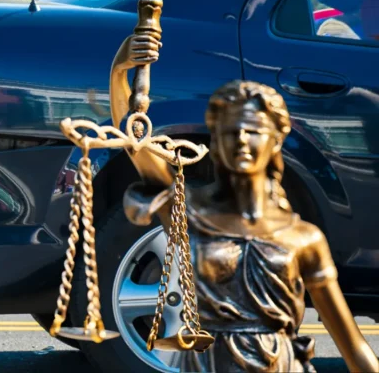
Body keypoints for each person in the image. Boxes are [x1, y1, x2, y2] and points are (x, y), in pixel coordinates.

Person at [119, 81, 379, 372]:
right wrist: (122, 71)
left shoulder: (303, 238)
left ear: (275, 140)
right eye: (230, 132)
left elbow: (351, 343)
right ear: (216, 140)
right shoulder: (189, 211)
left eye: (253, 131)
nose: (241, 140)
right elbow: (135, 139)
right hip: (210, 363)